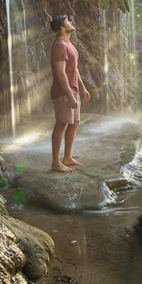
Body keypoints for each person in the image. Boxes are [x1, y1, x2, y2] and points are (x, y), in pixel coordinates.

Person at [49, 15, 91, 173]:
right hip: (63, 92)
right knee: (61, 124)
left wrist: (82, 87)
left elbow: (74, 69)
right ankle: (55, 162)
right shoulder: (59, 45)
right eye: (68, 21)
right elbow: (60, 73)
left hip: (73, 90)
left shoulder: (68, 43)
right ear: (61, 27)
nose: (71, 23)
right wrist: (70, 95)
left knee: (74, 123)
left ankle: (67, 157)